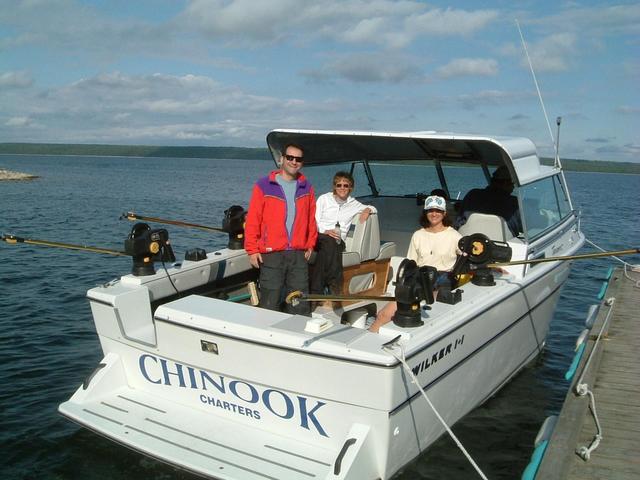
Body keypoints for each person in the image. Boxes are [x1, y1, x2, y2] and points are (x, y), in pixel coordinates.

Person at [368, 195, 461, 333]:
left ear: (444, 213)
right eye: (430, 210)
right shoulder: (418, 235)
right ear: (425, 213)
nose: (434, 214)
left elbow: (470, 254)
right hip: (419, 281)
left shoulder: (455, 236)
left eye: (438, 210)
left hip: (442, 281)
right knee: (383, 315)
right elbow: (411, 265)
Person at [244, 143, 317, 314]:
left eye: (298, 159)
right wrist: (252, 250)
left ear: (302, 163)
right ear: (282, 159)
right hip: (272, 253)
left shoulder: (307, 187)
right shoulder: (263, 185)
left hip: (298, 254)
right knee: (271, 299)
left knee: (299, 301)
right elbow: (253, 219)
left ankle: (298, 335)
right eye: (290, 157)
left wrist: (310, 244)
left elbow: (311, 220)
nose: (294, 162)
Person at [311, 171, 377, 295]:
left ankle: (316, 291)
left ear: (351, 187)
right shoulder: (324, 199)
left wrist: (368, 209)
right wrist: (325, 231)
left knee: (325, 252)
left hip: (338, 241)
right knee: (328, 242)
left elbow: (374, 208)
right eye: (339, 185)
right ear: (334, 187)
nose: (342, 188)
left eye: (345, 185)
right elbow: (315, 220)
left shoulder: (353, 204)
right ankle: (334, 284)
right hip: (319, 235)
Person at [455, 165, 522, 236]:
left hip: (469, 241)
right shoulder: (514, 202)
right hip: (502, 245)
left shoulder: (473, 194)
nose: (513, 187)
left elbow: (458, 221)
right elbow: (523, 226)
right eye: (512, 183)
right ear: (505, 183)